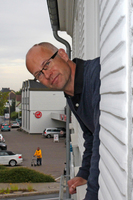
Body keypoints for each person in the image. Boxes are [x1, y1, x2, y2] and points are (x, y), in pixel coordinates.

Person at [26, 42, 101, 200]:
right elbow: (91, 136)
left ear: (62, 54)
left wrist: (92, 194)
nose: (46, 76)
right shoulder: (71, 96)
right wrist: (84, 174)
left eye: (46, 64)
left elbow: (102, 139)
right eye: (39, 74)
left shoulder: (97, 75)